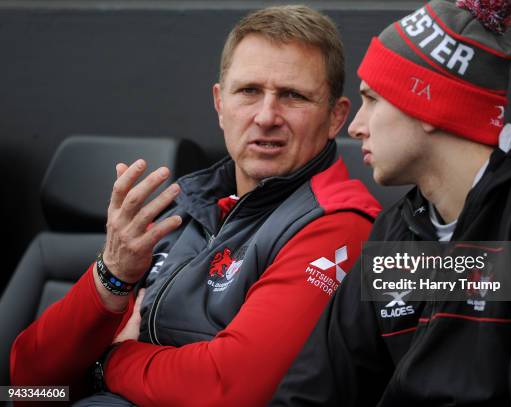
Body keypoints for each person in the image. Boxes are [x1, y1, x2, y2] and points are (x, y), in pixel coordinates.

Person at [10, 5, 381, 406]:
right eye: (249, 91)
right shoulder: (186, 205)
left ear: (335, 117)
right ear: (220, 104)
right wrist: (112, 276)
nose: (266, 116)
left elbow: (228, 389)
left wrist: (109, 362)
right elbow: (29, 385)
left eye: (293, 96)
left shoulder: (340, 223)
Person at [272, 0, 511, 405]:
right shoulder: (398, 229)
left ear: (429, 103)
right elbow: (311, 391)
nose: (357, 126)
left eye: (373, 99)